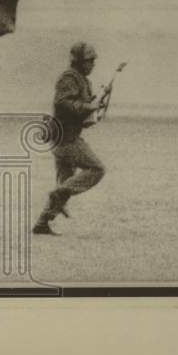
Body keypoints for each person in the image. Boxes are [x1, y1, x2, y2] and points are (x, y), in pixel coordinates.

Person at [32, 41, 107, 236]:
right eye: (89, 61)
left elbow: (76, 105)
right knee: (97, 169)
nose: (93, 64)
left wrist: (92, 104)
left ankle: (42, 223)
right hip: (66, 138)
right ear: (79, 61)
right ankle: (59, 192)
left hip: (64, 137)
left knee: (65, 181)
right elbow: (62, 103)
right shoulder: (69, 78)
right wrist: (87, 107)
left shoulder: (82, 80)